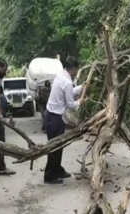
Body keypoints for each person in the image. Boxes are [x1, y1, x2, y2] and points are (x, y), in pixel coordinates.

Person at [44, 56, 87, 184]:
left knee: (59, 145)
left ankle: (57, 169)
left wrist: (81, 88)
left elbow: (68, 92)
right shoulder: (67, 82)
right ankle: (50, 175)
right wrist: (80, 101)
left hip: (53, 116)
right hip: (54, 118)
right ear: (73, 69)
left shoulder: (60, 76)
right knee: (54, 147)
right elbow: (70, 104)